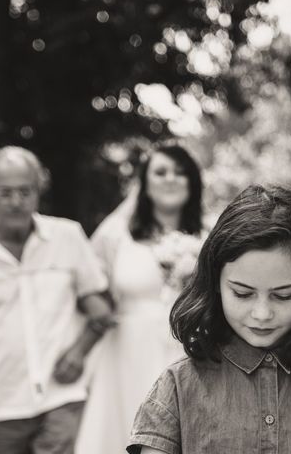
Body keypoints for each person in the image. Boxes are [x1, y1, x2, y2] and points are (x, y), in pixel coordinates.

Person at [127, 184, 291, 454]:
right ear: (216, 283)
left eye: (283, 296)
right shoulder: (178, 385)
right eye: (243, 294)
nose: (262, 314)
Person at [0, 146, 113, 454]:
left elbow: (101, 309)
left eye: (25, 192)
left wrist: (79, 352)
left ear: (38, 192)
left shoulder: (68, 237)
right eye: (5, 193)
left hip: (61, 396)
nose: (16, 202)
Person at [75, 143, 204, 454]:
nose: (170, 179)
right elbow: (86, 283)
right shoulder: (116, 233)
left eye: (180, 173)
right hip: (126, 350)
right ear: (144, 183)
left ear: (192, 182)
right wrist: (99, 311)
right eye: (160, 172)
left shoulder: (207, 236)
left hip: (188, 350)